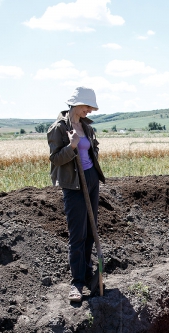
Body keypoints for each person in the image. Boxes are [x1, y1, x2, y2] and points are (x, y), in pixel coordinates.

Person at [47, 87, 105, 302]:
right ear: (76, 104)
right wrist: (71, 146)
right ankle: (77, 282)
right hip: (73, 184)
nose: (90, 110)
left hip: (90, 179)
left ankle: (89, 274)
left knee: (91, 231)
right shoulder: (58, 129)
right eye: (87, 106)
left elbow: (92, 151)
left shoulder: (86, 127)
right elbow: (55, 159)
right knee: (77, 235)